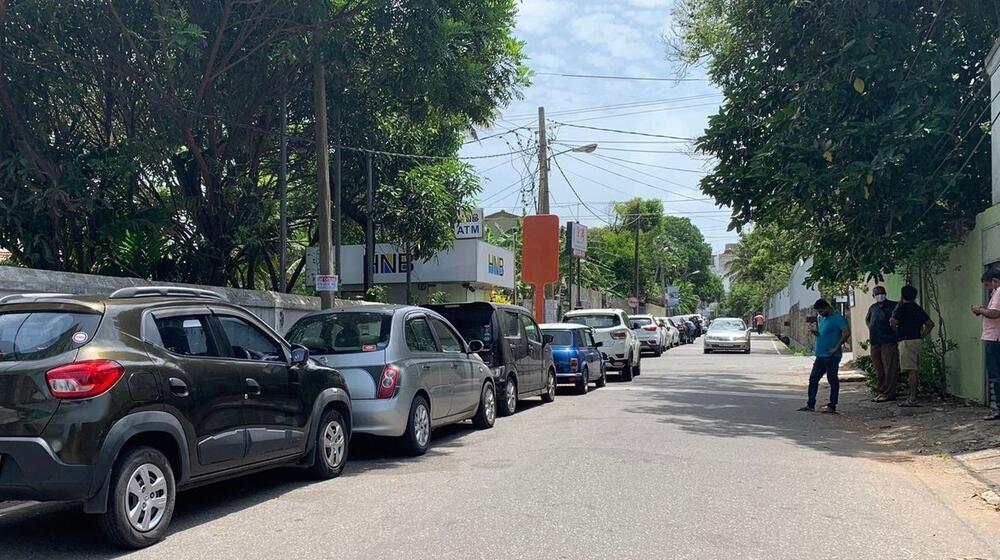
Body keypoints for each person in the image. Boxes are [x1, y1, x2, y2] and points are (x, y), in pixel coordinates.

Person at [798, 299, 850, 413]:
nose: (820, 314)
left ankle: (832, 405)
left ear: (827, 308)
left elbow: (846, 333)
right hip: (820, 355)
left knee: (832, 379)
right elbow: (825, 333)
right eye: (818, 312)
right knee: (813, 378)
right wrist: (817, 334)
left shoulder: (838, 318)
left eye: (821, 311)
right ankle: (810, 404)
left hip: (832, 355)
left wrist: (836, 347)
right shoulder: (823, 319)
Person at [890, 285, 934, 408]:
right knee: (914, 368)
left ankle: (912, 397)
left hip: (906, 341)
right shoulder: (917, 308)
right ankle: (913, 395)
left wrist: (897, 330)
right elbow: (930, 324)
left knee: (911, 370)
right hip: (917, 340)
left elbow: (893, 322)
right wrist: (922, 335)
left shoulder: (901, 308)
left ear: (902, 295)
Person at [972, 268, 1000, 421]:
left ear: (995, 280)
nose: (988, 288)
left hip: (994, 339)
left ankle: (999, 408)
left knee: (996, 375)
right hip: (995, 337)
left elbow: (995, 313)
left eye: (988, 285)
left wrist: (980, 309)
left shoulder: (999, 291)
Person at [865, 286, 899, 402]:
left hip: (889, 341)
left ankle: (889, 393)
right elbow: (868, 319)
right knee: (879, 369)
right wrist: (871, 328)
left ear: (885, 293)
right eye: (877, 293)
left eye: (882, 293)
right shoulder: (873, 307)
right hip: (875, 341)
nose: (880, 295)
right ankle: (881, 391)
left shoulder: (894, 305)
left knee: (889, 368)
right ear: (873, 296)